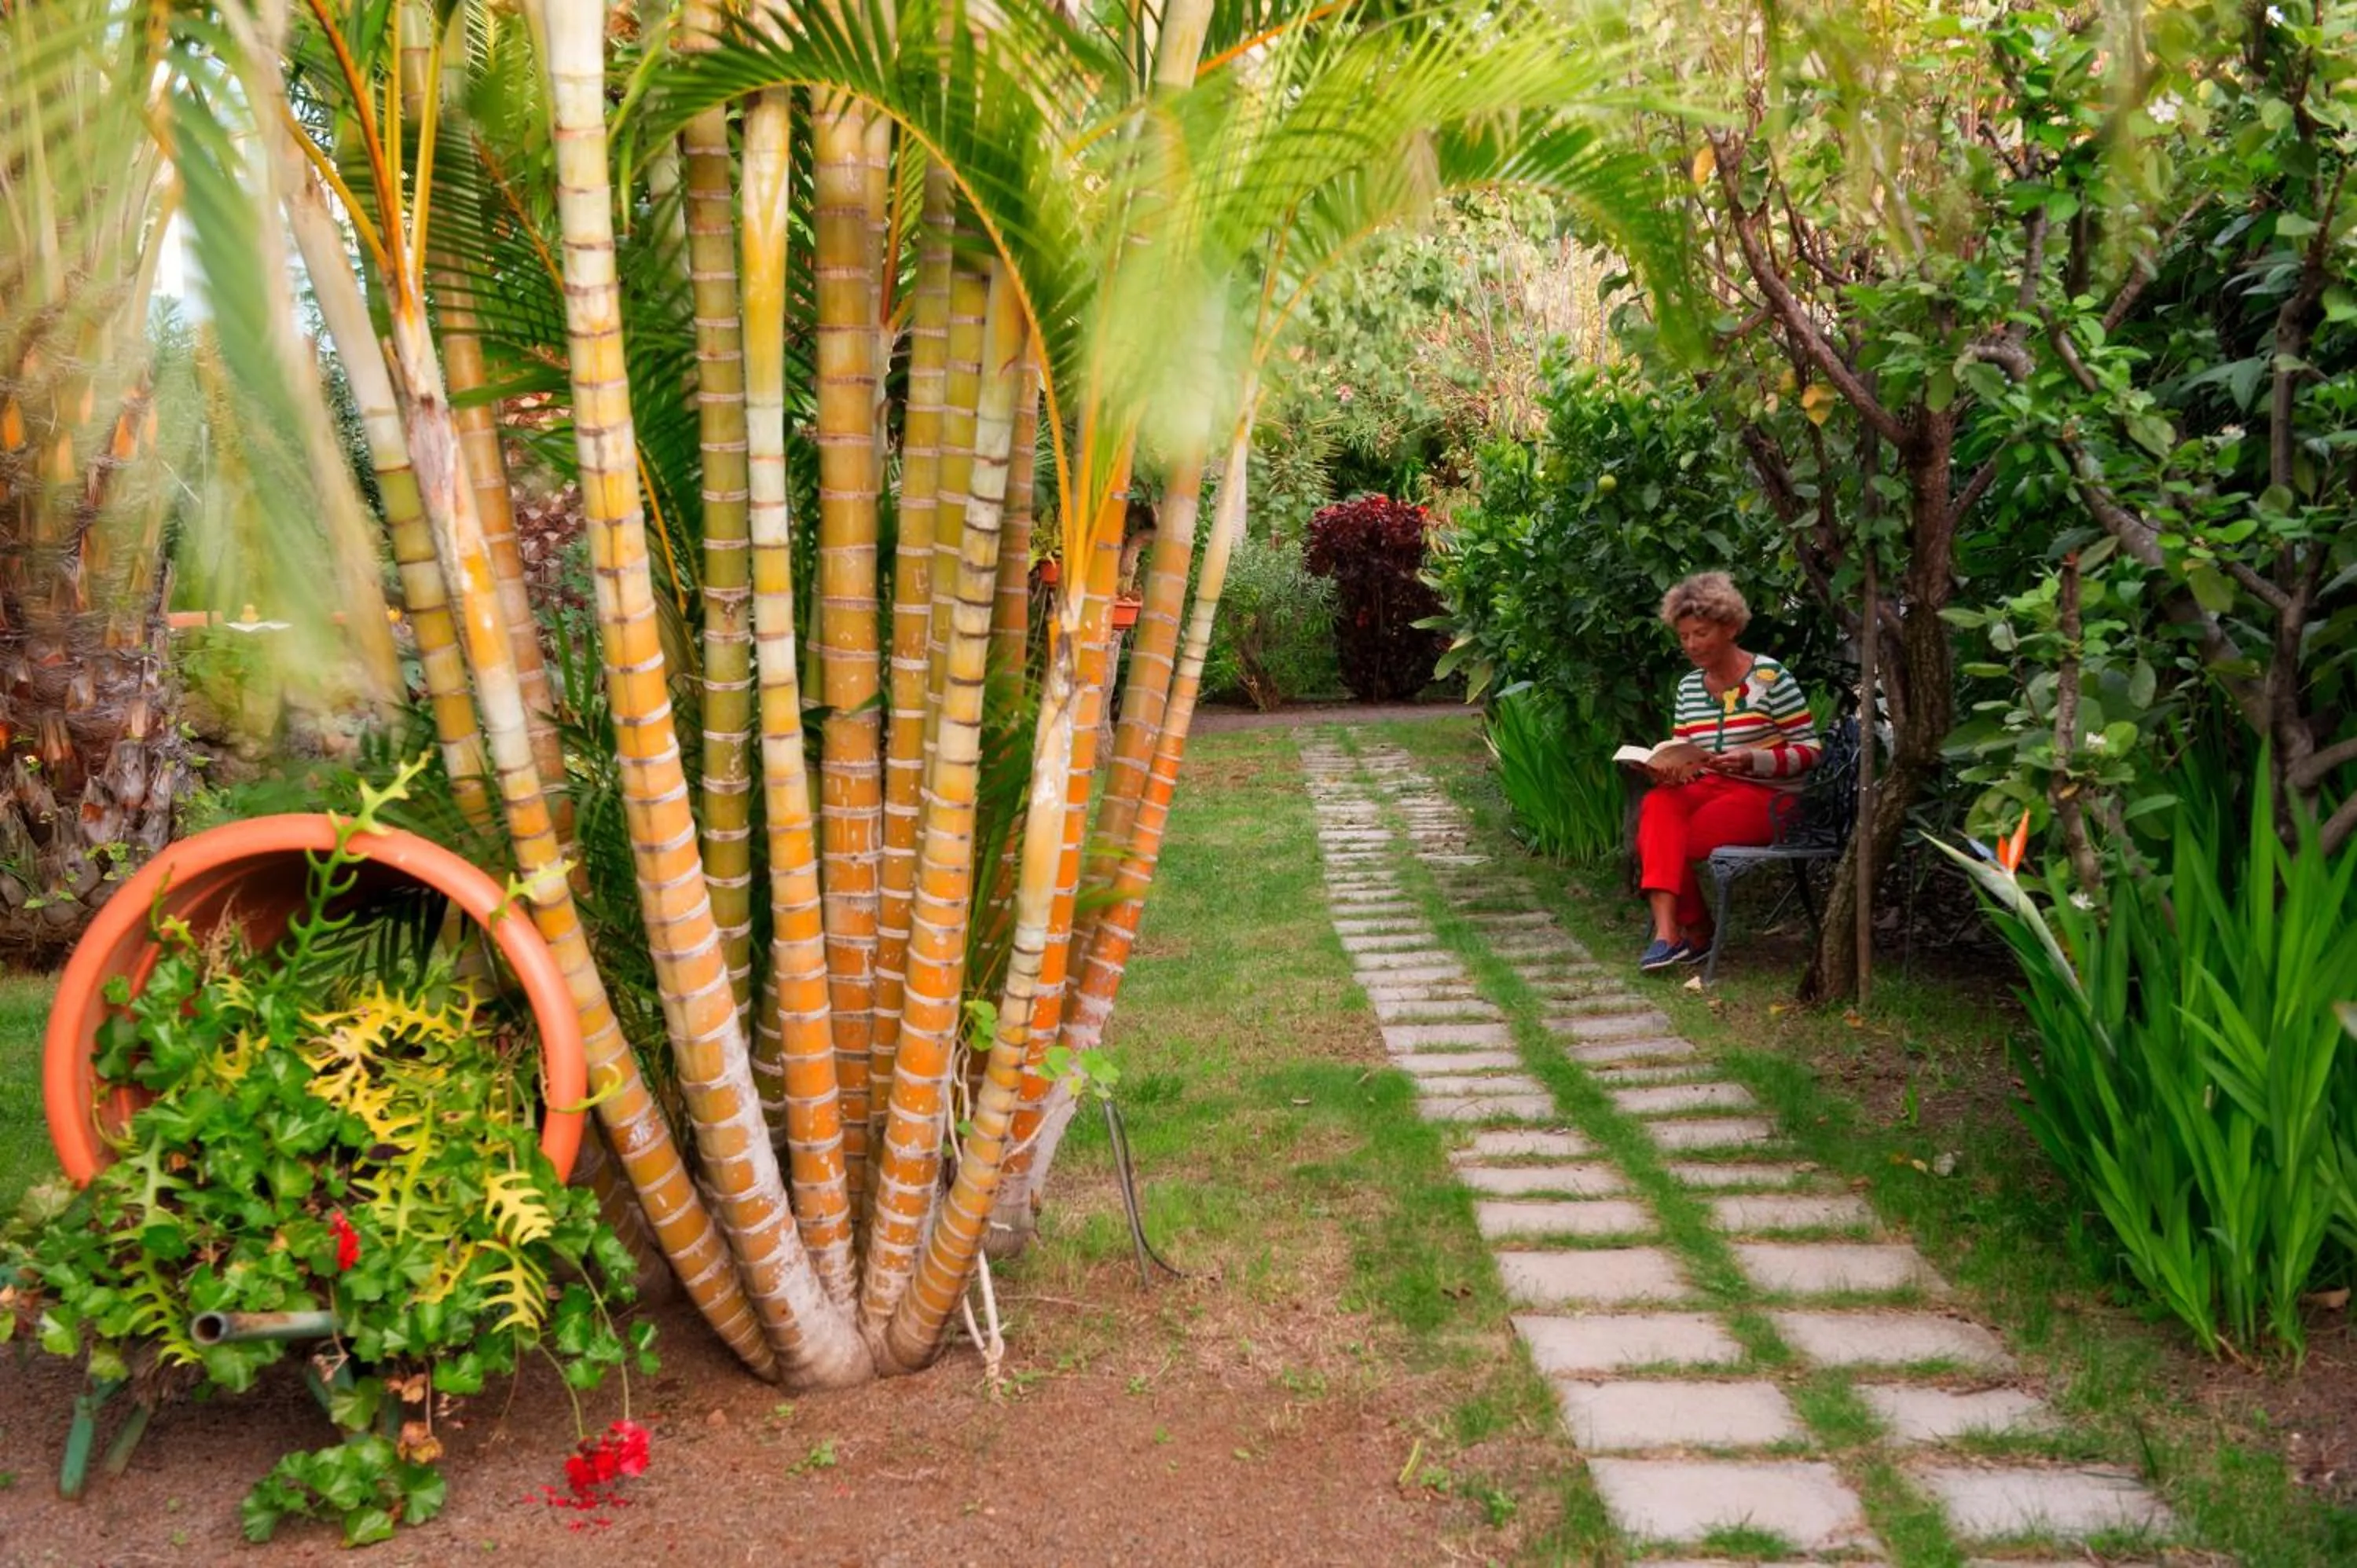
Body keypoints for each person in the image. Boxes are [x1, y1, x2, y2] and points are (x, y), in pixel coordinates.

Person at [1632, 571, 1820, 972]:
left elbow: (1810, 751)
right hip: (1710, 785)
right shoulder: (1688, 688)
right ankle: (1667, 936)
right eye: (1683, 637)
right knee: (1658, 805)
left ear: (1730, 627)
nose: (1691, 645)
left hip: (1771, 798)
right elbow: (1682, 747)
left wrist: (1755, 760)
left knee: (1666, 840)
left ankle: (1696, 934)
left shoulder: (1770, 679)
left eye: (1700, 634)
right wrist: (1669, 770)